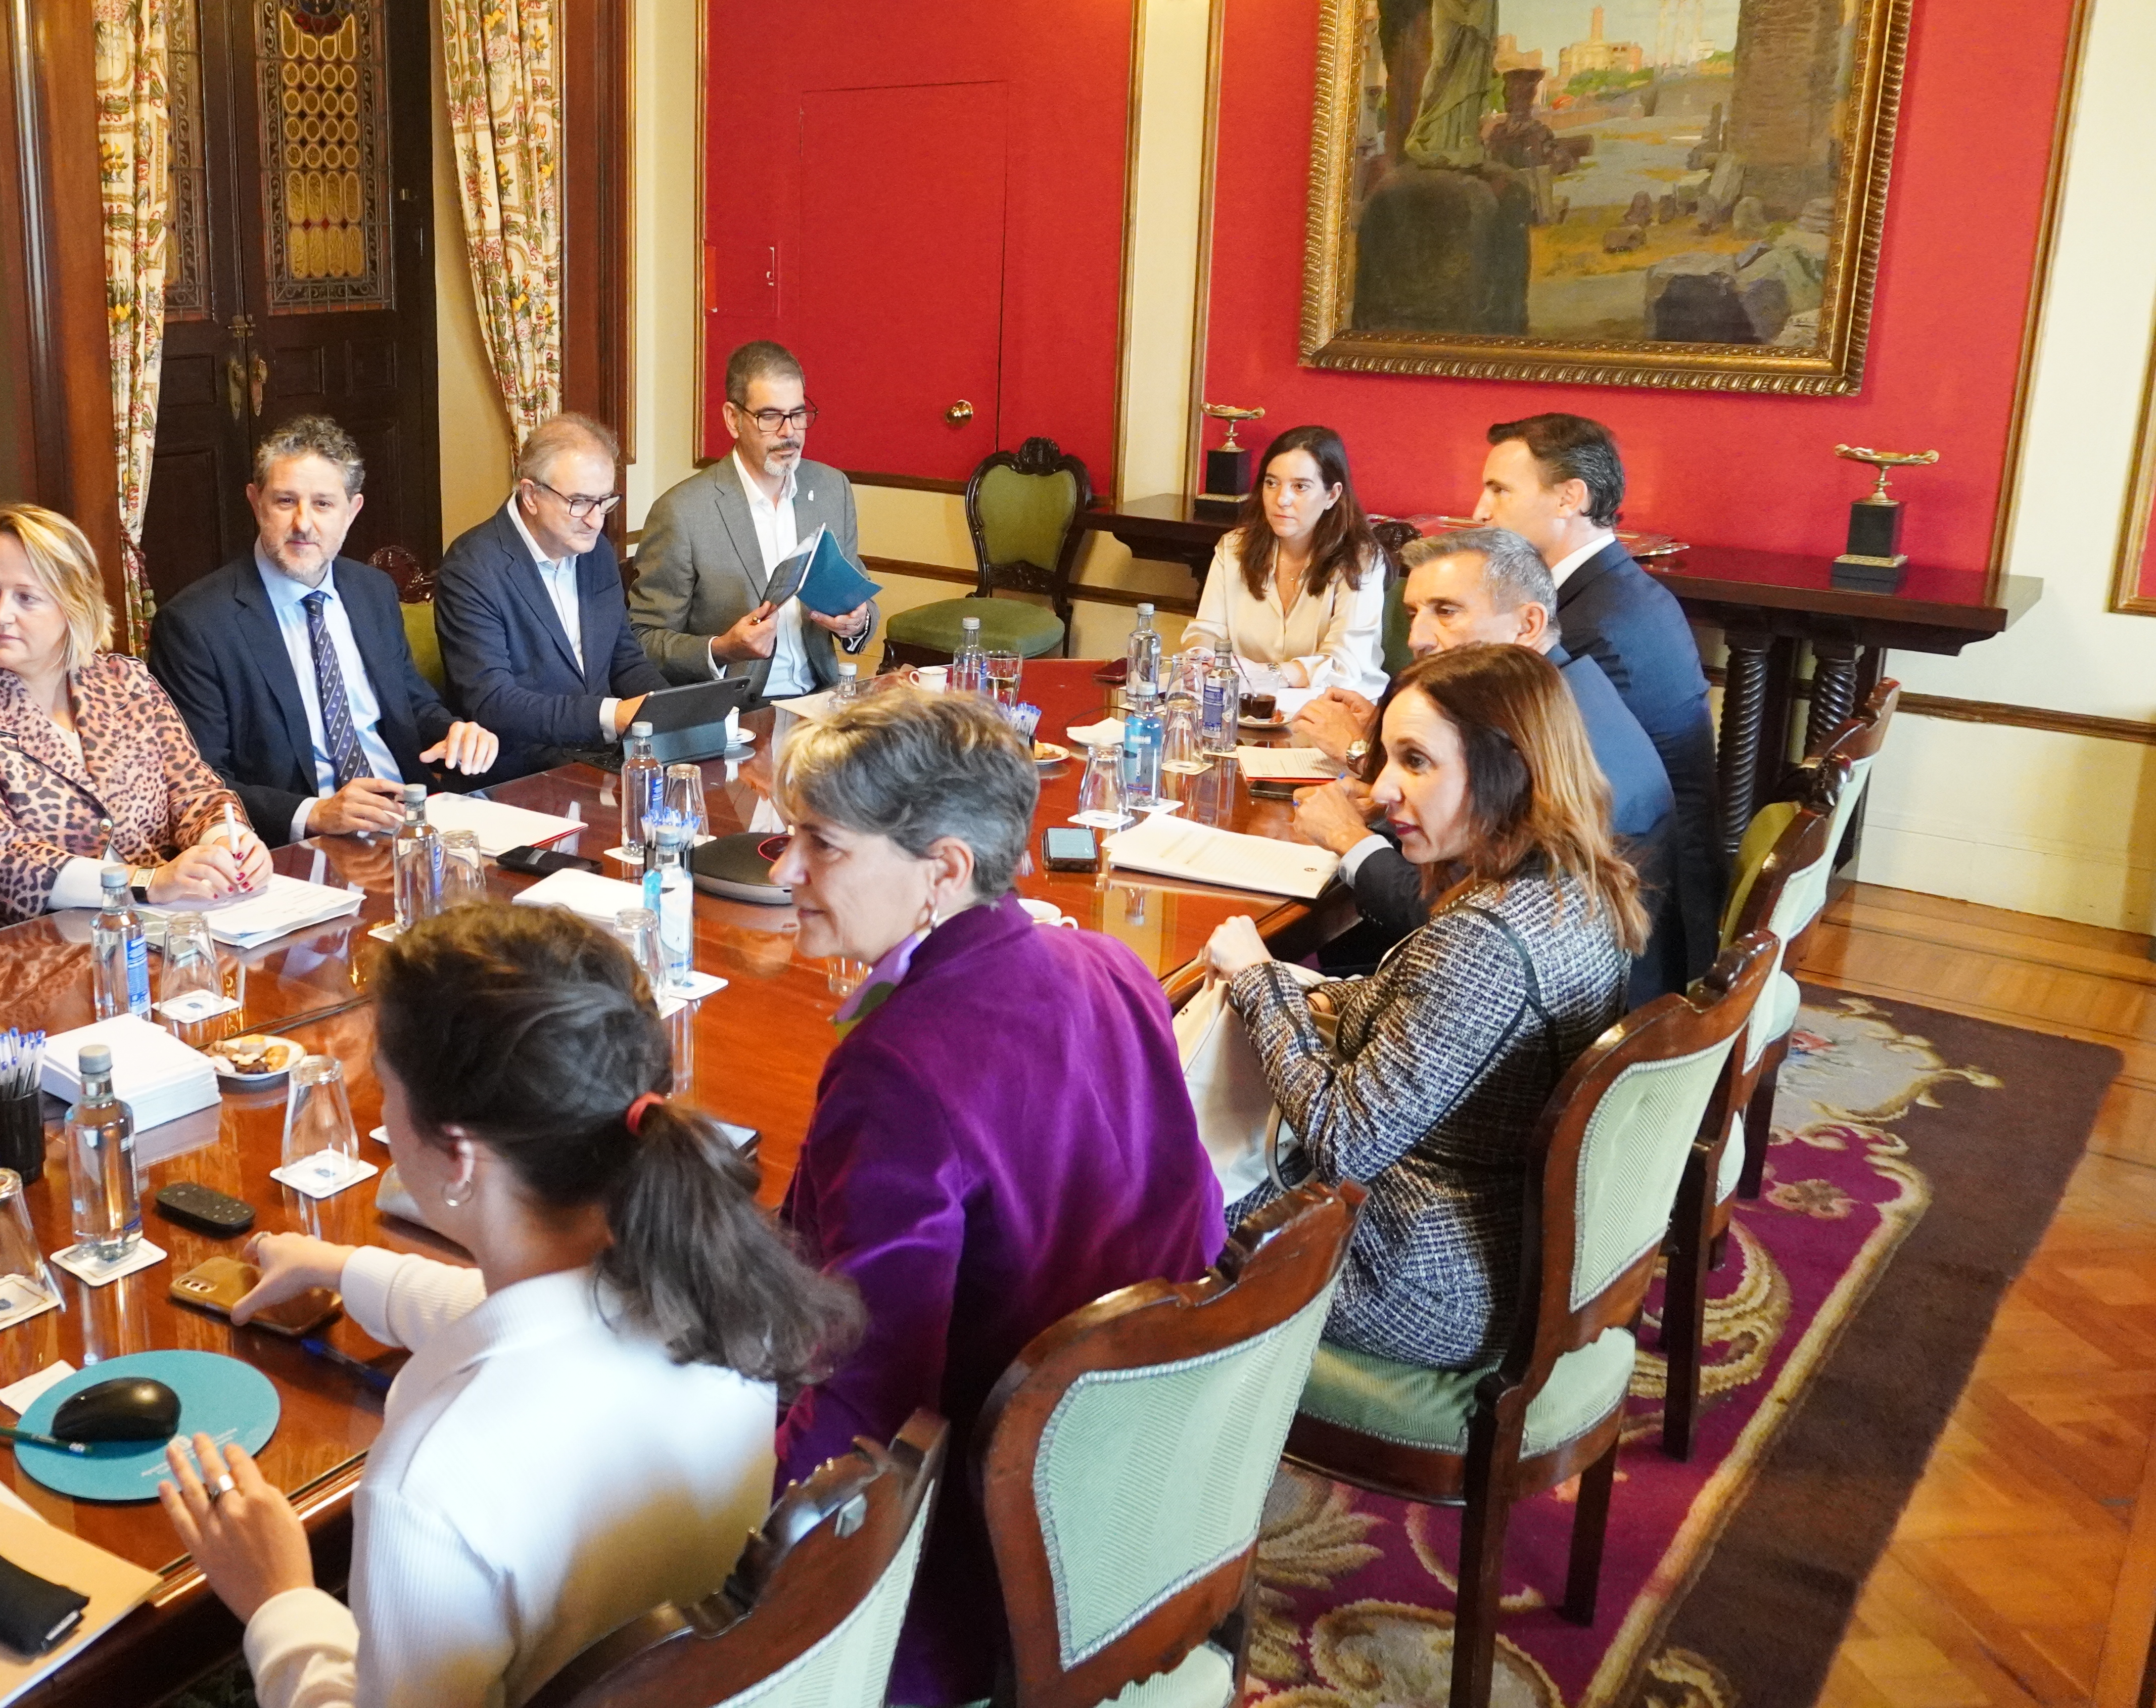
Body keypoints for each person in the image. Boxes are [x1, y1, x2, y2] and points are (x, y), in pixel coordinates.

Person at [155, 903, 860, 1708]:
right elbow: (540, 1326)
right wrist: (348, 1270)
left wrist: (280, 1602)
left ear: (459, 1155)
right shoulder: (712, 1290)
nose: (379, 1111)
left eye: (384, 1090)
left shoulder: (433, 1482)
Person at [766, 685, 1221, 1703]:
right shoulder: (1106, 961)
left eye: (822, 844)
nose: (787, 870)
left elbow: (871, 1390)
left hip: (980, 1554)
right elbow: (1199, 1221)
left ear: (945, 869)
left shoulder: (899, 1066)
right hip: (1134, 1470)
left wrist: (744, 1558)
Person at [1204, 644, 1644, 1370]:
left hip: (1417, 1281)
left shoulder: (1486, 943)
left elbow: (1346, 1141)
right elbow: (1422, 1022)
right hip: (1497, 1245)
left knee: (1134, 1192)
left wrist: (1260, 981)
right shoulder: (1578, 885)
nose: (1380, 791)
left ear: (1508, 768)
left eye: (1415, 761)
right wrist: (1299, 990)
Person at [1288, 526, 1674, 997]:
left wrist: (1346, 838)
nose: (1419, 639)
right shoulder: (1558, 689)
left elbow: (1445, 911)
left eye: (1447, 611)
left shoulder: (1554, 734)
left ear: (1527, 625)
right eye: (1413, 613)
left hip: (1563, 1011)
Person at [0, 504, 272, 950]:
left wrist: (230, 843)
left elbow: (195, 793)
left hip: (147, 933)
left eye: (26, 597)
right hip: (4, 956)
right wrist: (148, 881)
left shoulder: (127, 683)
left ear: (75, 602)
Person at [151, 418, 501, 840]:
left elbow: (412, 703)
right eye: (285, 501)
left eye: (323, 504)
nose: (303, 524)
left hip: (412, 820)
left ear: (352, 511)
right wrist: (316, 814)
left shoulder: (371, 590)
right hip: (301, 846)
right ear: (255, 502)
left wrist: (456, 734)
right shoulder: (196, 624)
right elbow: (199, 782)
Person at [1473, 412, 1719, 987]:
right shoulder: (1621, 590)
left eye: (1500, 490)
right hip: (1660, 876)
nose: (1481, 510)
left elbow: (1535, 786)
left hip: (1636, 917)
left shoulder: (1588, 625)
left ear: (1570, 498)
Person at [627, 341, 876, 697]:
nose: (789, 432)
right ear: (733, 419)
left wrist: (857, 622)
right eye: (770, 417)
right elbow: (644, 641)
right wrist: (722, 648)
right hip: (733, 711)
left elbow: (858, 595)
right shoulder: (683, 512)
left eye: (798, 414)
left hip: (822, 698)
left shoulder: (831, 489)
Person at [434, 412, 663, 775]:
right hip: (522, 772)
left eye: (605, 502)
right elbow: (492, 702)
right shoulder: (473, 567)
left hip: (604, 758)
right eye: (580, 503)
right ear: (531, 495)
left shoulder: (596, 552)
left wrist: (673, 711)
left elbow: (623, 658)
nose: (596, 520)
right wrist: (612, 715)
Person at [1181, 423, 1386, 695]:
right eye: (1272, 483)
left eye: (1300, 487)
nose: (1282, 499)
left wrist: (1267, 675)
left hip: (1337, 707)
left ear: (1332, 495)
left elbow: (1345, 664)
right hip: (1252, 702)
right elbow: (1207, 628)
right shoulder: (1234, 548)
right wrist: (1201, 656)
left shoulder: (1361, 560)